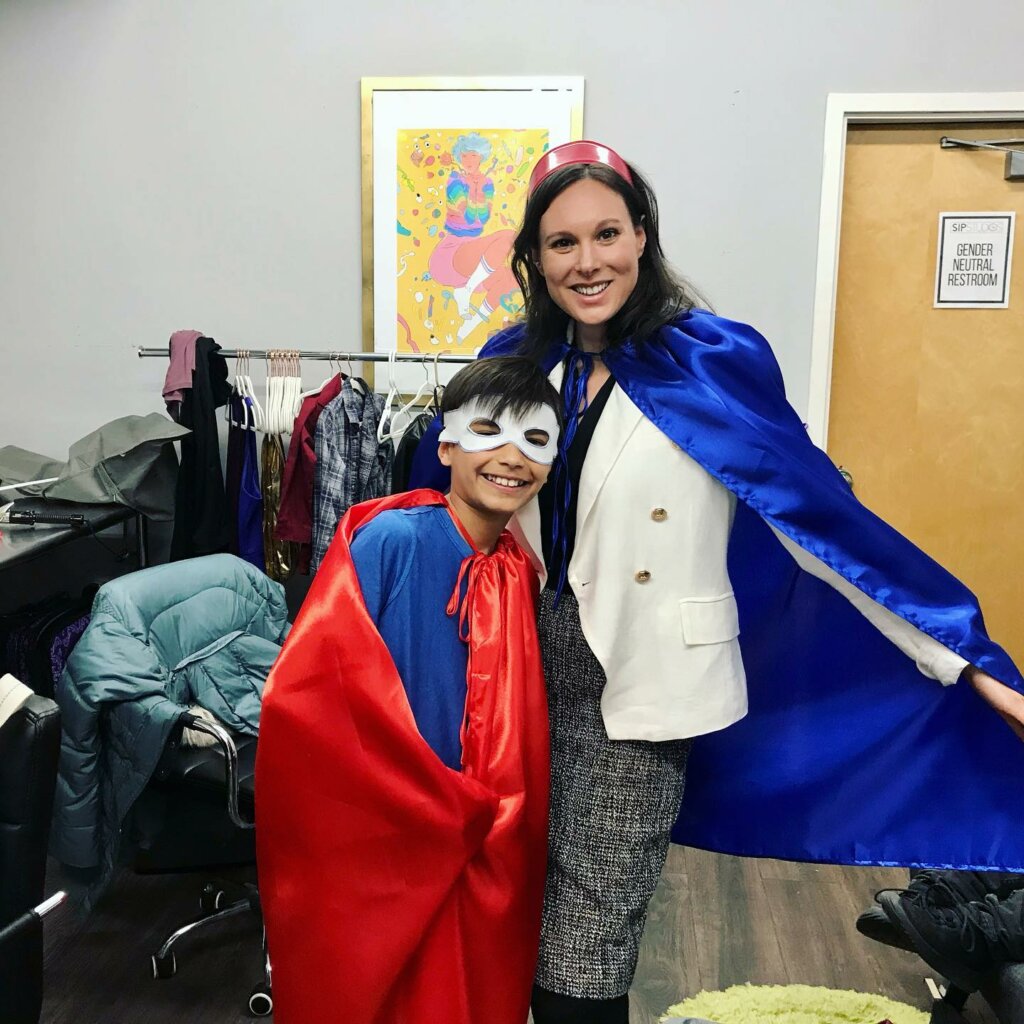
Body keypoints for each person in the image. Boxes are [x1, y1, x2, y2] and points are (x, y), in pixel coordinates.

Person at [409, 139, 1024, 1024]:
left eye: (606, 234)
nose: (587, 262)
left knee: (588, 944)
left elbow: (818, 524)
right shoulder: (512, 365)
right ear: (534, 260)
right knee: (513, 913)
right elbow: (444, 515)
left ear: (643, 236)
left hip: (646, 680)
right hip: (512, 680)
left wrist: (959, 655)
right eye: (562, 243)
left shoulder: (716, 361)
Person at [255, 357, 562, 1024]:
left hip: (483, 830)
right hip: (395, 827)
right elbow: (315, 687)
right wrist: (419, 796)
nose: (512, 457)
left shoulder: (518, 569)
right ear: (446, 445)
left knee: (475, 987)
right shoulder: (391, 538)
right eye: (489, 433)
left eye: (536, 441)